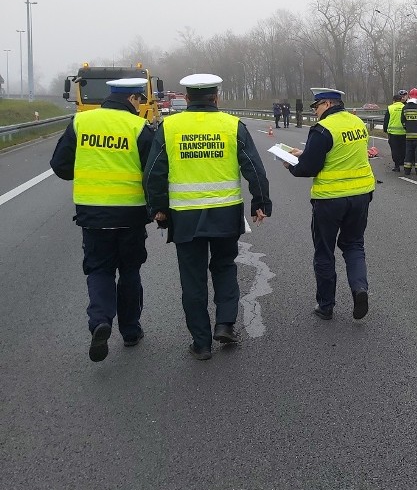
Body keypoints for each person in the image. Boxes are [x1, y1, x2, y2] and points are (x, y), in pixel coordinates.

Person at [143, 73, 272, 361]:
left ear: (187, 98)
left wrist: (158, 208)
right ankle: (225, 323)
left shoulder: (170, 127)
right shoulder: (232, 125)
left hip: (185, 216)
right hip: (225, 213)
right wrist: (260, 202)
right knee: (225, 267)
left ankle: (201, 343)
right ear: (216, 97)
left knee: (193, 278)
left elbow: (154, 172)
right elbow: (253, 166)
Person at [49, 78, 155, 362]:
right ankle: (131, 332)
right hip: (131, 214)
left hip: (92, 215)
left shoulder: (81, 122)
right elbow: (153, 172)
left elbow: (60, 166)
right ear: (132, 99)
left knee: (99, 270)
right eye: (139, 100)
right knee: (130, 272)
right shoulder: (139, 128)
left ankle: (100, 321)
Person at [282, 88, 375, 321]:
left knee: (324, 251)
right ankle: (359, 289)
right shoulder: (357, 122)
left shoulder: (323, 129)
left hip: (330, 199)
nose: (315, 113)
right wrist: (308, 152)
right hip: (361, 194)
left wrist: (291, 164)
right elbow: (342, 153)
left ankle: (326, 306)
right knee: (354, 245)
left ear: (326, 104)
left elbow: (308, 168)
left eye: (316, 108)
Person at [382, 89, 407, 171]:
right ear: (400, 100)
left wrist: (385, 129)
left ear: (393, 100)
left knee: (395, 149)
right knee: (403, 148)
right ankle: (402, 162)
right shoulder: (405, 107)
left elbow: (386, 120)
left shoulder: (390, 108)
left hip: (393, 133)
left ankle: (397, 166)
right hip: (404, 132)